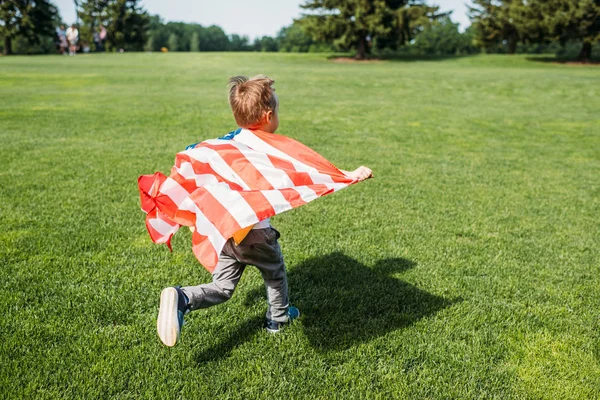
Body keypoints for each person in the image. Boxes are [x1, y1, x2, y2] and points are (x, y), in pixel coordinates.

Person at [156, 75, 373, 347]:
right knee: (275, 274)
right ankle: (278, 320)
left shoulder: (226, 146)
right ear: (269, 115)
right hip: (257, 235)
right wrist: (349, 175)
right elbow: (305, 172)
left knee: (223, 287)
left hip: (227, 232)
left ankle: (183, 297)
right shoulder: (268, 152)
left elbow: (198, 172)